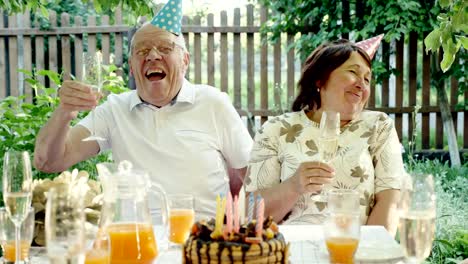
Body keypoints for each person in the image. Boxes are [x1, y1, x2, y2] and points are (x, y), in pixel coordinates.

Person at [34, 0, 253, 219]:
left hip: (201, 242)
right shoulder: (114, 111)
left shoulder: (213, 103)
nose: (153, 56)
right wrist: (64, 112)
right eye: (142, 50)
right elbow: (48, 161)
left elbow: (258, 179)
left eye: (165, 48)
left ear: (185, 60)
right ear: (131, 66)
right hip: (135, 242)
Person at [243, 36, 403, 236]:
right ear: (320, 78)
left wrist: (367, 253)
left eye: (367, 79)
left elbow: (390, 202)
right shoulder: (276, 129)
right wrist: (293, 186)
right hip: (290, 250)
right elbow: (249, 214)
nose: (362, 84)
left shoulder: (378, 126)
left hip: (354, 251)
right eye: (353, 72)